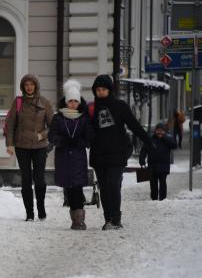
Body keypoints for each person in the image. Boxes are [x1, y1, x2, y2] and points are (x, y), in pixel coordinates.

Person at [89, 74, 154, 230]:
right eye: (98, 89)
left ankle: (116, 219)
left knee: (113, 184)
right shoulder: (91, 108)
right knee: (104, 187)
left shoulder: (120, 106)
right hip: (99, 154)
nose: (101, 92)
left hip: (117, 153)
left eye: (104, 89)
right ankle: (108, 219)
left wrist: (148, 141)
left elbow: (134, 125)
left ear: (109, 90)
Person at [5, 74, 54, 221]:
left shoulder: (45, 103)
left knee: (39, 179)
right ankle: (29, 213)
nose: (29, 87)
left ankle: (41, 208)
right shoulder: (18, 102)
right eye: (26, 84)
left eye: (31, 84)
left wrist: (42, 135)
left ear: (36, 86)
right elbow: (10, 124)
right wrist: (10, 144)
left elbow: (53, 126)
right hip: (21, 146)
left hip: (40, 146)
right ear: (23, 87)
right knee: (26, 179)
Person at [48, 79, 93, 230]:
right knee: (69, 187)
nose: (73, 103)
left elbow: (88, 138)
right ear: (66, 102)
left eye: (75, 101)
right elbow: (52, 137)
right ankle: (74, 217)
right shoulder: (58, 118)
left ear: (79, 102)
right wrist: (64, 141)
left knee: (77, 187)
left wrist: (79, 142)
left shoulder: (84, 118)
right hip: (64, 158)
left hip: (78, 158)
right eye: (70, 101)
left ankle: (79, 220)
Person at [139, 122, 177, 201]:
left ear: (164, 131)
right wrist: (142, 160)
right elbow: (144, 150)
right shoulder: (150, 139)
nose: (159, 132)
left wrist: (164, 138)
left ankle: (163, 198)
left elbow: (174, 145)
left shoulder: (168, 139)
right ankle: (154, 198)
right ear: (155, 131)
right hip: (152, 165)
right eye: (158, 130)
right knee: (153, 183)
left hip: (164, 166)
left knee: (163, 183)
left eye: (161, 130)